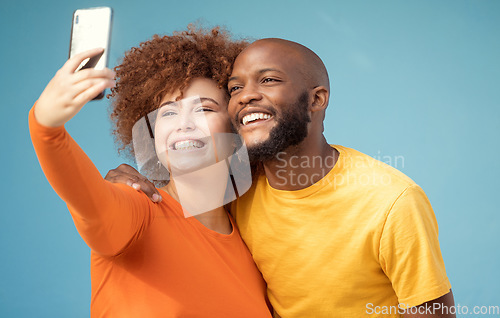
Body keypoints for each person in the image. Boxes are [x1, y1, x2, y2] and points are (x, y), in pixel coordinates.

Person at [108, 38, 456, 318]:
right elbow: (177, 199)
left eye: (269, 80)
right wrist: (127, 183)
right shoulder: (238, 191)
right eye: (234, 88)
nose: (246, 95)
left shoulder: (391, 201)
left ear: (316, 99)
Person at [29, 27, 272, 317]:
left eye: (204, 109)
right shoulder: (138, 211)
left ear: (237, 129)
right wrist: (46, 127)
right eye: (167, 113)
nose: (183, 124)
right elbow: (88, 201)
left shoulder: (253, 256)